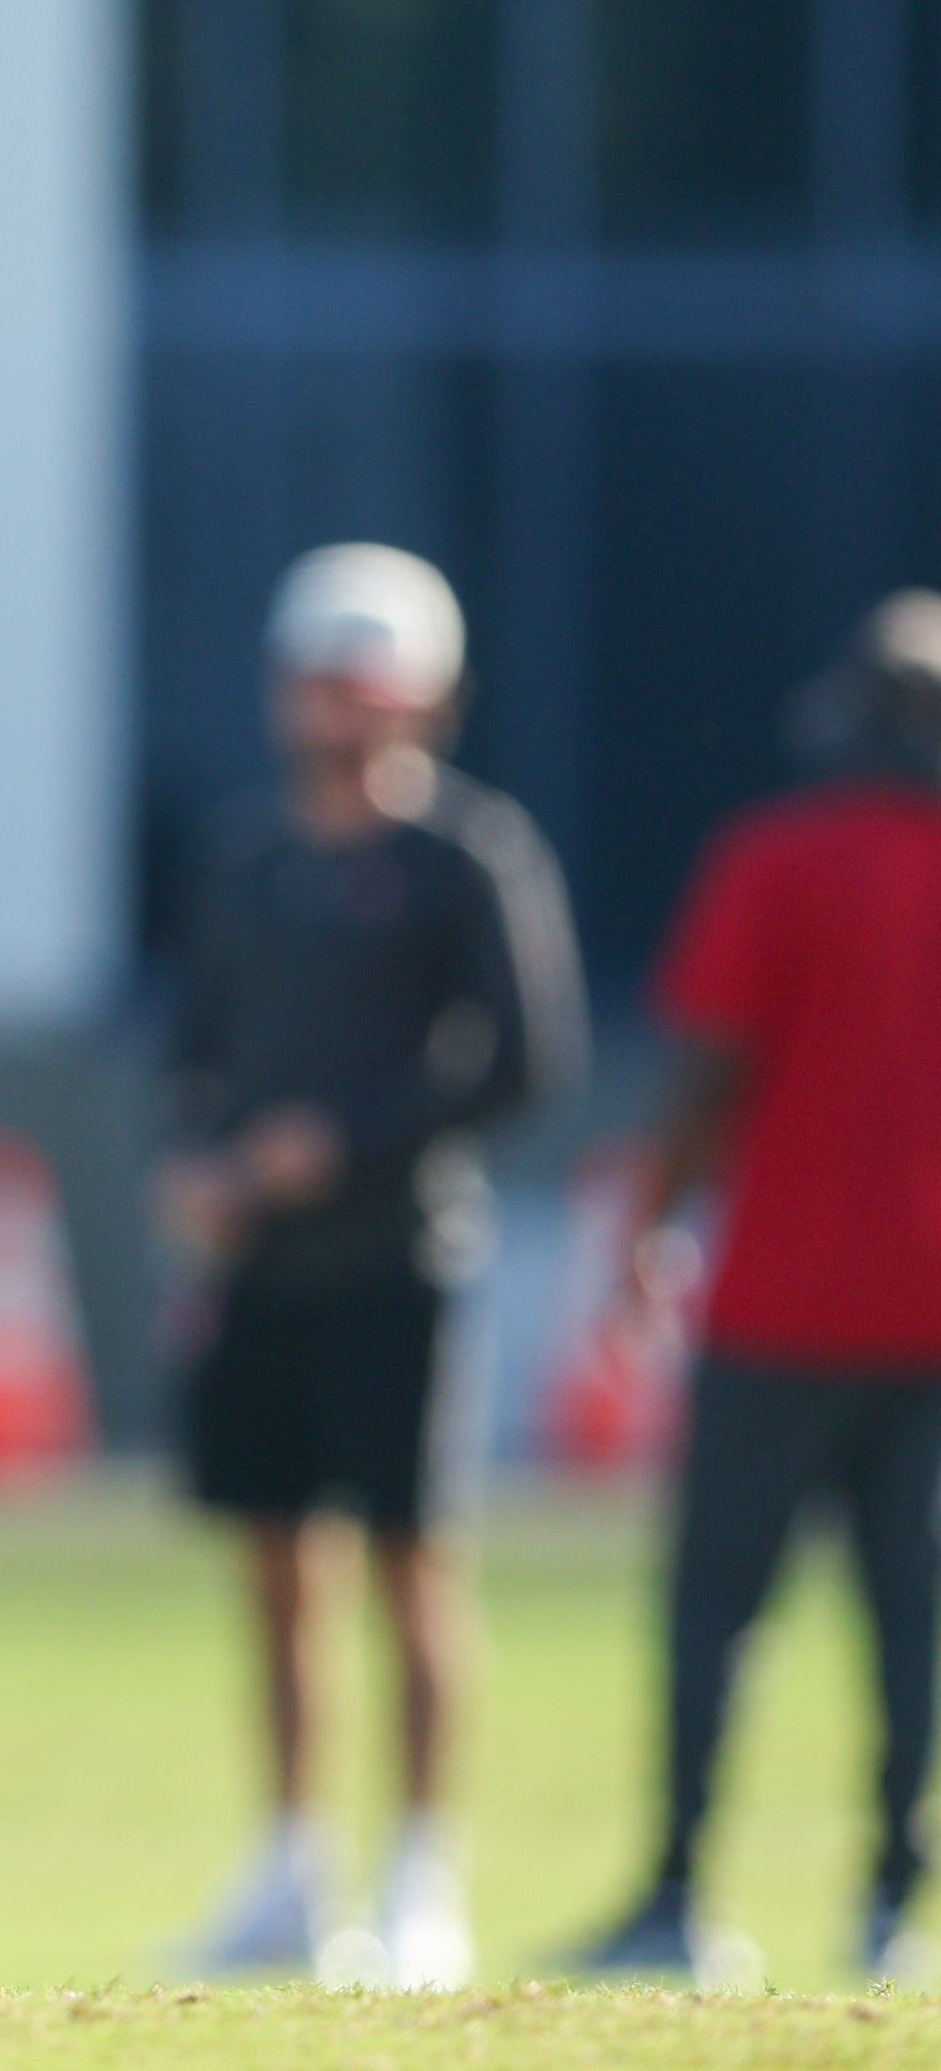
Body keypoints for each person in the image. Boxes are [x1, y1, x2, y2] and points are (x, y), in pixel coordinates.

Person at [158, 544, 582, 1989]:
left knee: (412, 1562)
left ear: (418, 698)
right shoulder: (244, 855)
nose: (334, 714)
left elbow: (526, 1060)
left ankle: (418, 1869)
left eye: (361, 686)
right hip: (263, 1272)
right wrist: (202, 1169)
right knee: (275, 1563)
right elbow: (196, 1044)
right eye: (316, 684)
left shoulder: (465, 855)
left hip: (403, 1257)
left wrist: (334, 1143)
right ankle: (285, 1863)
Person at [566, 592, 941, 1990]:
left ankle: (675, 1894)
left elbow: (706, 1067)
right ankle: (888, 1900)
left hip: (782, 1299)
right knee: (909, 1614)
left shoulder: (777, 859)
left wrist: (646, 1227)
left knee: (714, 1603)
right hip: (926, 1312)